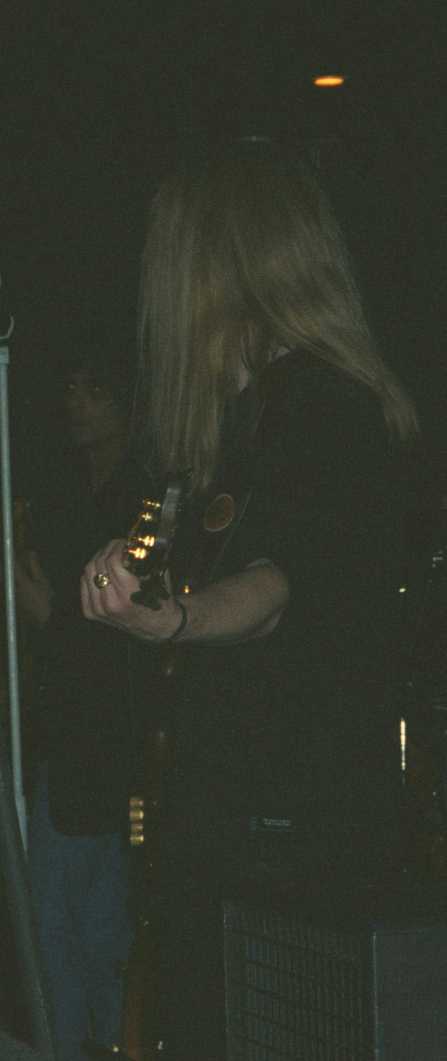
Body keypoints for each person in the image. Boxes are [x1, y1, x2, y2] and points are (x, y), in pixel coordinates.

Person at [80, 145, 419, 1059]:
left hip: (288, 837)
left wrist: (177, 617)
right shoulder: (231, 426)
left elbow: (278, 583)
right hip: (240, 824)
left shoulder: (323, 406)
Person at [16, 346, 148, 1061]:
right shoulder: (66, 492)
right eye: (69, 389)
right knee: (78, 913)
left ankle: (93, 1042)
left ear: (122, 403)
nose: (75, 404)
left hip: (110, 732)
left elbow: (123, 624)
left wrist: (46, 613)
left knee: (78, 916)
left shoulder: (143, 496)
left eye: (90, 390)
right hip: (66, 726)